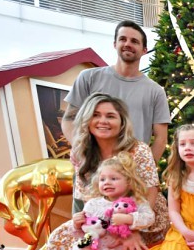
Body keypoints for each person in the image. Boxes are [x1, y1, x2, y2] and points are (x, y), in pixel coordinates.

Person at [37, 93, 169, 250]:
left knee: (132, 244)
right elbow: (85, 194)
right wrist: (81, 220)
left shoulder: (137, 149)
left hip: (141, 212)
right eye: (96, 115)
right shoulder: (81, 152)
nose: (103, 121)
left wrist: (130, 228)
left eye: (110, 115)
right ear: (87, 120)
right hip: (99, 214)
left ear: (122, 121)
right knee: (59, 238)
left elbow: (149, 191)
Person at [61, 20, 170, 170]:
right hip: (91, 170)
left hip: (132, 174)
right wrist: (82, 151)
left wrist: (145, 171)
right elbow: (69, 119)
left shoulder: (156, 91)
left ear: (144, 50)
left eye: (134, 41)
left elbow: (161, 138)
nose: (127, 44)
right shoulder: (88, 78)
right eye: (123, 39)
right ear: (115, 44)